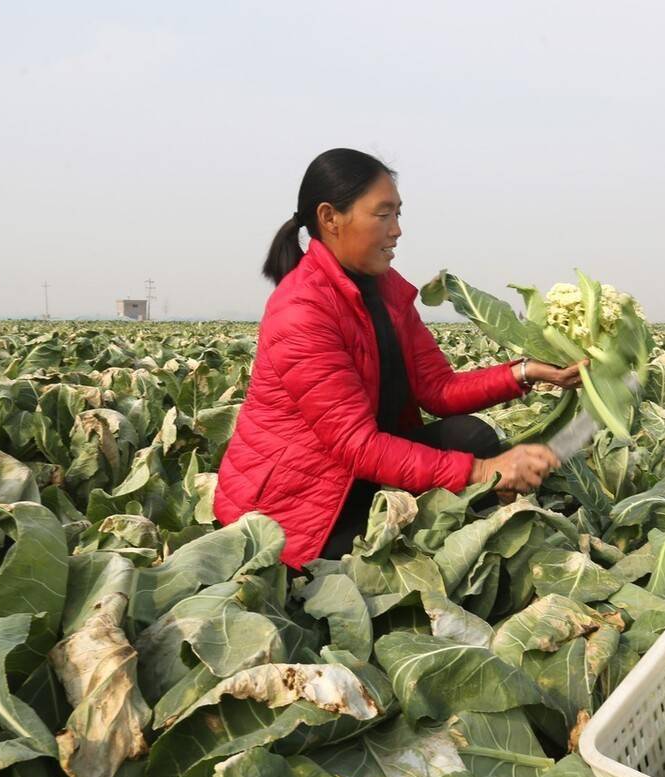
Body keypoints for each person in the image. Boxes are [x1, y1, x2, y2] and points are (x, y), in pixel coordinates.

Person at [214, 148, 583, 570]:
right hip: (299, 504)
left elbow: (438, 390)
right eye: (384, 215)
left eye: (398, 214)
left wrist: (528, 372)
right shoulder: (301, 309)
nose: (397, 231)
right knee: (383, 561)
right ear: (330, 218)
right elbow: (357, 446)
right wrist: (484, 472)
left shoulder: (387, 291)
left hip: (355, 472)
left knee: (472, 437)